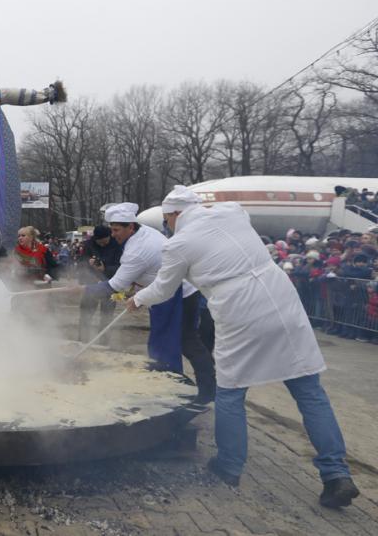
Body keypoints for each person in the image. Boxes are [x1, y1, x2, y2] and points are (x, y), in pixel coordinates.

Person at [127, 185, 359, 509]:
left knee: (231, 391)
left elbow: (164, 289)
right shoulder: (233, 212)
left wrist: (136, 299)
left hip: (239, 309)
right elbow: (231, 217)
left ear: (174, 214)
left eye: (167, 220)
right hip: (281, 299)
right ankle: (336, 475)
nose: (167, 226)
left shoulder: (179, 243)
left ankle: (228, 467)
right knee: (309, 391)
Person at [71, 203, 216, 403]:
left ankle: (189, 392)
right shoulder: (143, 232)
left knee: (181, 343)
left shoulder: (137, 250)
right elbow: (139, 275)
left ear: (131, 226)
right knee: (173, 342)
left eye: (116, 230)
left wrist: (83, 289)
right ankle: (180, 386)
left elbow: (115, 285)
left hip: (176, 294)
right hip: (165, 292)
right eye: (111, 229)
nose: (113, 235)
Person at [77, 225, 122, 345]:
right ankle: (82, 340)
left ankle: (103, 342)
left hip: (112, 285)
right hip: (91, 284)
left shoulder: (117, 244)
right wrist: (88, 264)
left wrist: (104, 268)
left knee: (106, 316)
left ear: (109, 237)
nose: (102, 244)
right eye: (99, 242)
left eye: (105, 242)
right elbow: (81, 263)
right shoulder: (89, 245)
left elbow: (122, 267)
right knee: (85, 314)